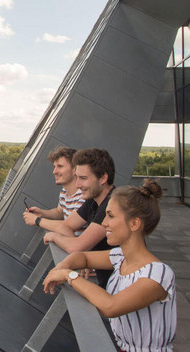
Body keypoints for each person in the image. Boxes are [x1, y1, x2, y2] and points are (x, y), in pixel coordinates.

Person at [42, 180, 176, 352]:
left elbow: (110, 306)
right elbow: (81, 257)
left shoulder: (158, 274)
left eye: (110, 216)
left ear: (134, 224)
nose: (104, 223)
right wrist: (60, 268)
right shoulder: (121, 256)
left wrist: (69, 275)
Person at [40, 148, 116, 287]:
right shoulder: (93, 200)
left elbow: (76, 247)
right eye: (78, 177)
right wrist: (82, 256)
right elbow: (66, 225)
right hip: (104, 282)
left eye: (83, 178)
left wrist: (55, 237)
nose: (77, 185)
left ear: (103, 178)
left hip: (118, 288)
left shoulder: (112, 205)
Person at [22, 147, 85, 232]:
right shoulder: (64, 192)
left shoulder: (84, 196)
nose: (54, 171)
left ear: (75, 169)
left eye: (60, 166)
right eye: (54, 166)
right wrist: (42, 213)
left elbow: (69, 225)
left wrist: (37, 220)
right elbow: (59, 212)